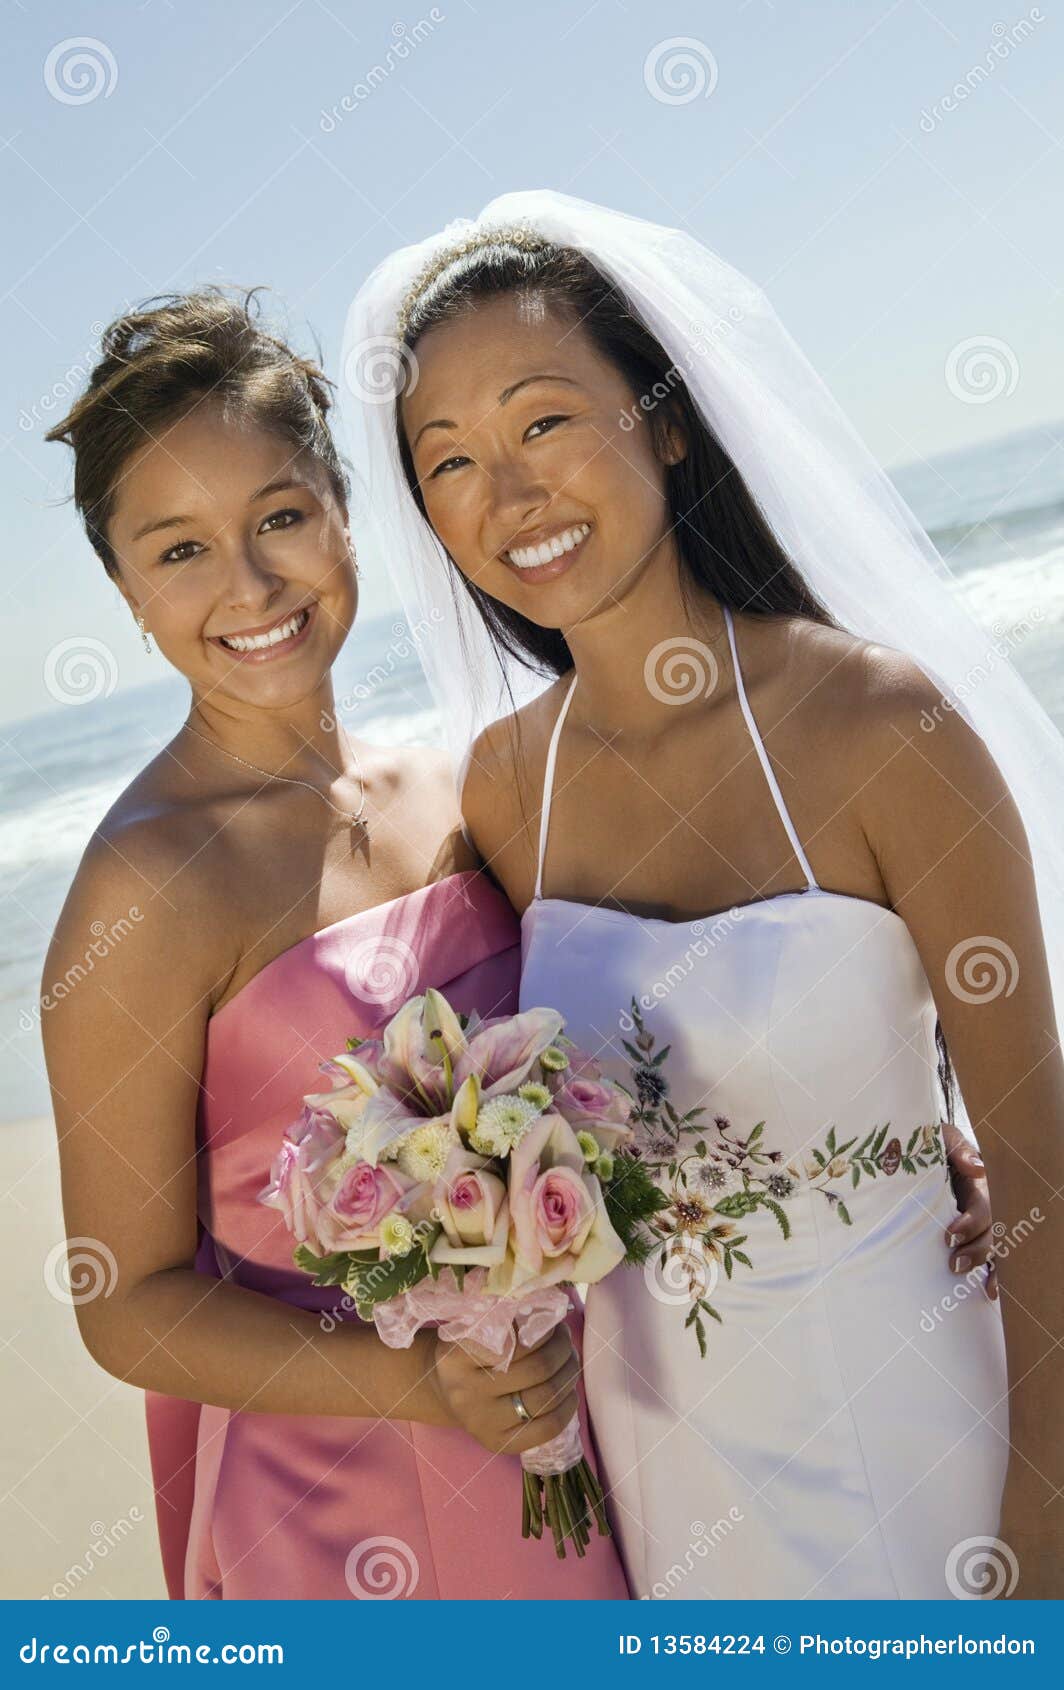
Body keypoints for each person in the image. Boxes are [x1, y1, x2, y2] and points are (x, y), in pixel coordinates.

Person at [345, 190, 1064, 1598]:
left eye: (545, 420)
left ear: (666, 420)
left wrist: (1039, 1533)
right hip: (668, 1474)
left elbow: (1042, 1164)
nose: (510, 492)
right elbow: (440, 1100)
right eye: (450, 460)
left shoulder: (877, 727)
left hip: (928, 1448)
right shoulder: (502, 788)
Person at [40, 290, 627, 1601]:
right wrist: (418, 1381)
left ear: (347, 514)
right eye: (180, 550)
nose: (250, 585)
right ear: (126, 590)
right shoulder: (145, 887)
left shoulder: (456, 794)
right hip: (346, 1509)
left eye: (282, 518)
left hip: (567, 1425)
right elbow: (123, 1298)